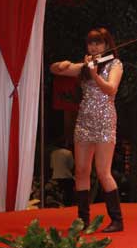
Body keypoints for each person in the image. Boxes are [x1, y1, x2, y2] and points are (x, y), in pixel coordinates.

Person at [50, 28, 125, 232]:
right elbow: (55, 69)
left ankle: (117, 220)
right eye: (91, 43)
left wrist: (94, 74)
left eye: (98, 43)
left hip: (104, 122)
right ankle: (83, 220)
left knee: (103, 171)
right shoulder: (85, 66)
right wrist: (62, 64)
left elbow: (111, 89)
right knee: (81, 170)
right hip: (84, 122)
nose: (94, 47)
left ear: (107, 45)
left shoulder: (115, 64)